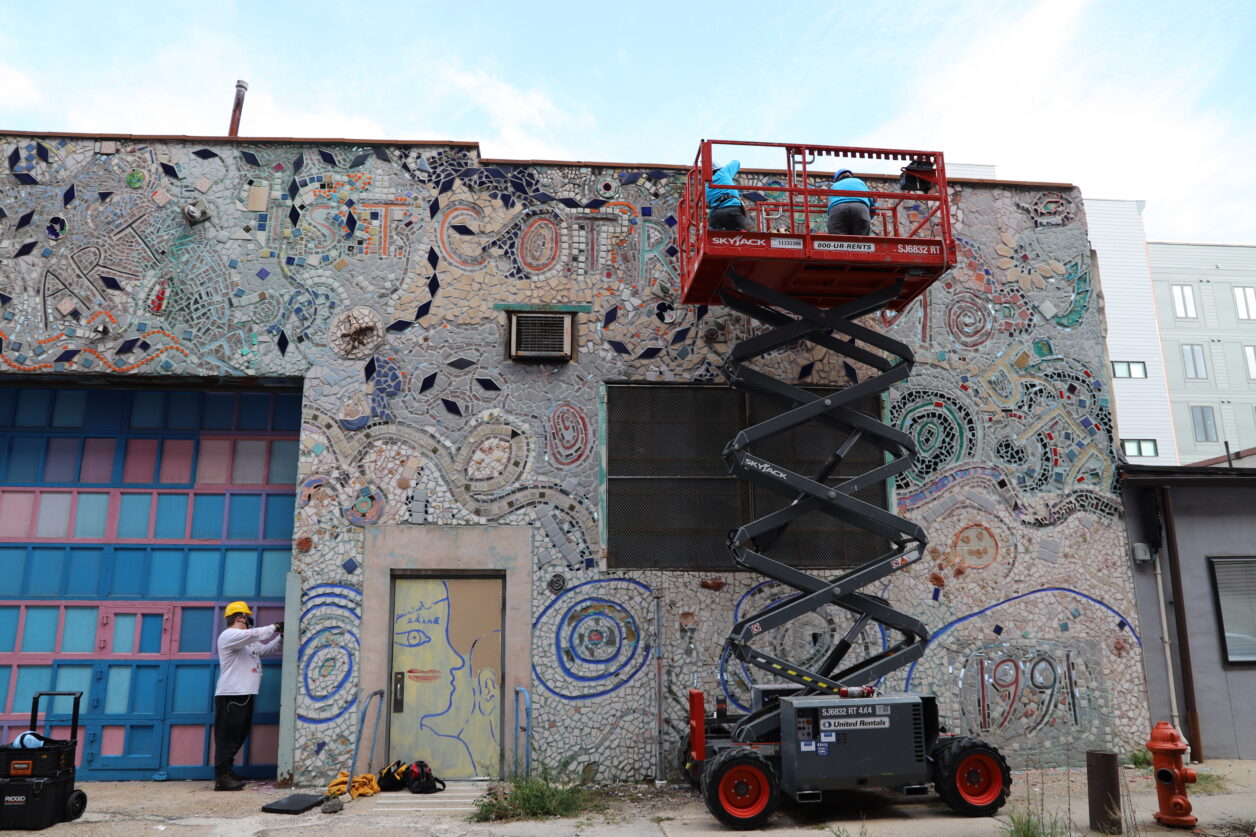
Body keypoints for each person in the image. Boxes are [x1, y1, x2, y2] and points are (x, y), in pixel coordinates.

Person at [213, 601, 282, 791]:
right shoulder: (229, 635)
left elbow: (265, 650)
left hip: (245, 693)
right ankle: (222, 777)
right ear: (240, 617)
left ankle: (227, 771)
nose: (250, 620)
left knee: (237, 735)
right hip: (232, 694)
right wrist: (274, 627)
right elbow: (254, 634)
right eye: (247, 617)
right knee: (227, 737)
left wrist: (280, 637)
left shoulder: (246, 642)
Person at [827, 168, 877, 236]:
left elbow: (830, 204)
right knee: (860, 239)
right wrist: (868, 217)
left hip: (838, 209)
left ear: (837, 179)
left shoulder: (835, 185)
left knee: (839, 239)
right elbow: (872, 202)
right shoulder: (859, 182)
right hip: (860, 209)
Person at [706, 160, 753, 231]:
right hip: (733, 211)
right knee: (742, 235)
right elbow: (736, 162)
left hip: (715, 215)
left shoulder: (706, 186)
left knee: (715, 236)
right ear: (718, 168)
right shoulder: (723, 172)